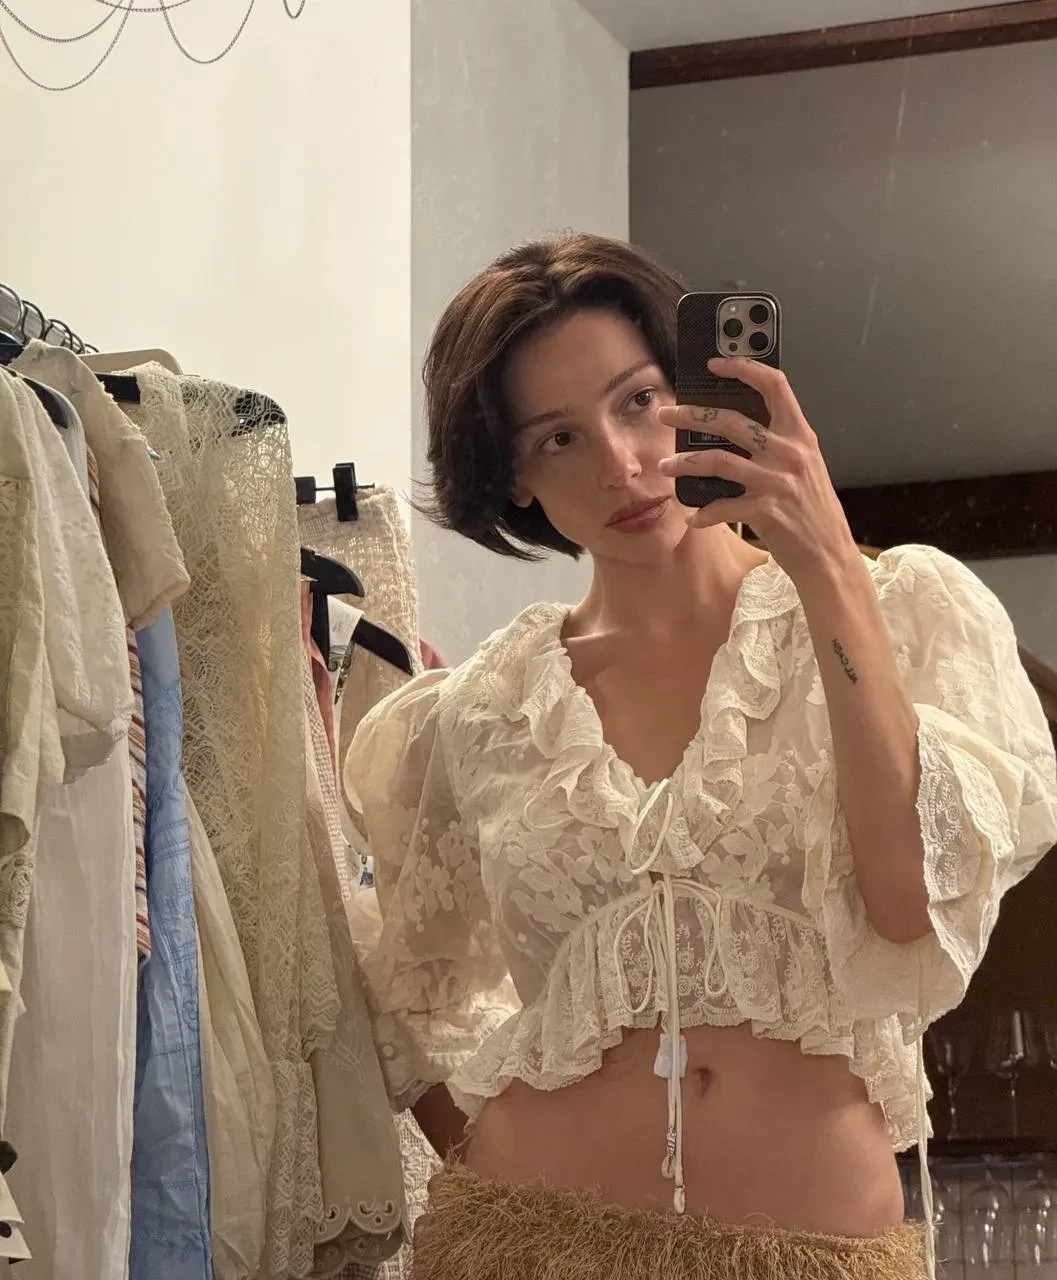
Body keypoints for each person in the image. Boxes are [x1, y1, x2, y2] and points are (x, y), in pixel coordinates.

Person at [344, 234, 1057, 1280]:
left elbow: (908, 901)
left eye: (638, 401)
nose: (621, 463)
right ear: (515, 478)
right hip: (522, 1239)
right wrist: (484, 1171)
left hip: (810, 1253)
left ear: (699, 389)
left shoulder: (904, 614)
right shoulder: (475, 713)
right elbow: (409, 996)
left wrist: (825, 564)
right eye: (557, 437)